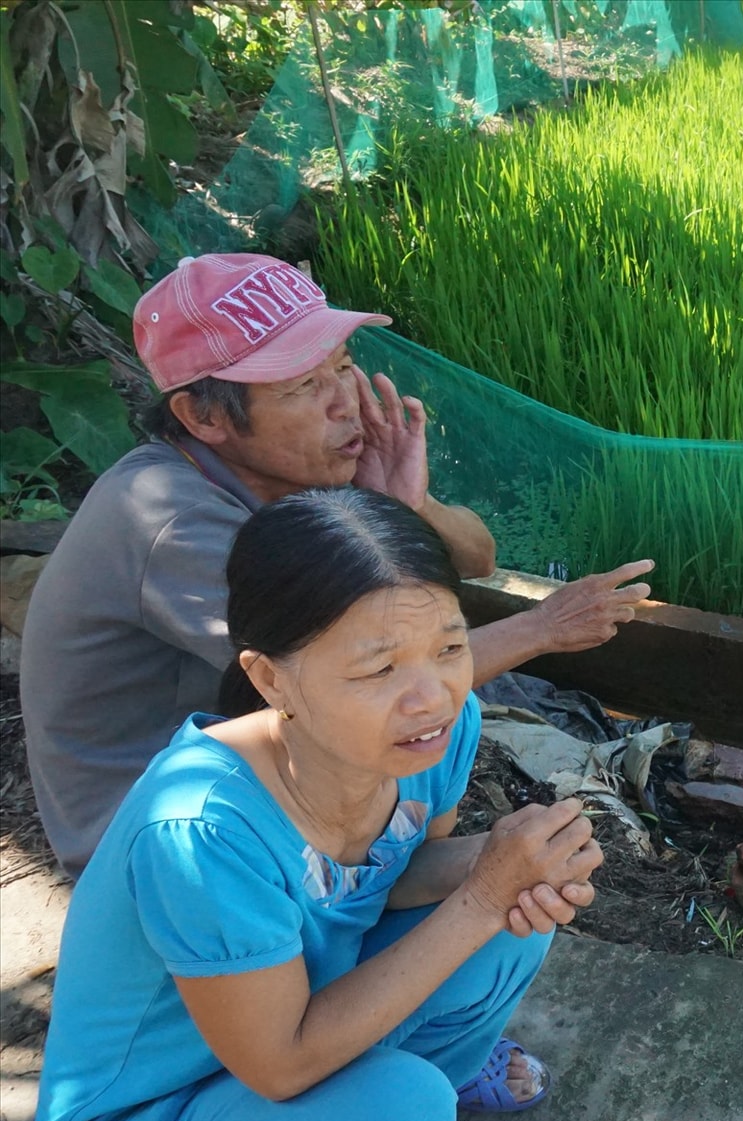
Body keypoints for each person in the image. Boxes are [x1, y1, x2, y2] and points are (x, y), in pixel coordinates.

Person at [32, 487, 603, 1121]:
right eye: (379, 667)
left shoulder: (434, 733)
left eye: (448, 647)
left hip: (303, 1007)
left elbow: (395, 880)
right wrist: (478, 898)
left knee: (512, 916)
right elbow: (280, 1065)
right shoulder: (199, 832)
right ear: (271, 680)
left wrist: (503, 864)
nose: (431, 695)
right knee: (404, 1113)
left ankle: (388, 1100)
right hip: (155, 1114)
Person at [21, 251, 653, 875]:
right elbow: (358, 675)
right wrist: (542, 628)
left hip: (242, 764)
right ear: (203, 415)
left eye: (343, 367)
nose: (344, 403)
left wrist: (408, 506)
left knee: (438, 722)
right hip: (149, 837)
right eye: (303, 386)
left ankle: (398, 875)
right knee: (431, 712)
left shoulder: (277, 475)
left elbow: (476, 558)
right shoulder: (179, 524)